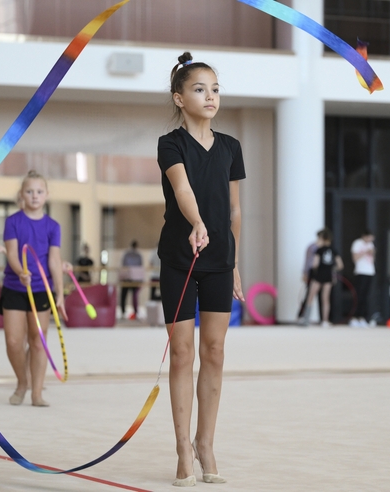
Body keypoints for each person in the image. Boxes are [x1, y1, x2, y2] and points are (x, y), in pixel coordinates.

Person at [157, 52, 245, 486]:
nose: (210, 96)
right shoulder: (170, 143)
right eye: (199, 89)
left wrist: (235, 264)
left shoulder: (231, 147)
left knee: (214, 352)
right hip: (179, 259)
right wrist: (196, 222)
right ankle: (181, 449)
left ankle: (205, 442)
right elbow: (182, 187)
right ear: (179, 97)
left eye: (215, 89)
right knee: (183, 354)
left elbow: (234, 210)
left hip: (218, 261)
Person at [0, 170, 66, 407]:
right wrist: (21, 272)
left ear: (46, 195)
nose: (34, 196)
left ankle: (36, 393)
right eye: (29, 192)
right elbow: (13, 254)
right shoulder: (13, 222)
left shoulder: (53, 226)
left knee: (38, 341)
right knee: (14, 342)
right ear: (21, 195)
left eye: (39, 192)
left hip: (41, 290)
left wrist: (59, 294)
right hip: (15, 287)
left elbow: (54, 261)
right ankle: (22, 382)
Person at [300, 229, 343, 328]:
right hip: (328, 275)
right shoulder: (334, 250)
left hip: (319, 275)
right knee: (325, 299)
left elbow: (315, 264)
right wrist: (331, 268)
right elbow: (340, 265)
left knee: (310, 296)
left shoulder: (318, 250)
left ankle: (306, 319)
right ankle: (325, 321)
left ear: (323, 239)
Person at [351, 229, 375, 327]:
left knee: (366, 296)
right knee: (358, 295)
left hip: (370, 272)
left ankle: (362, 317)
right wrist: (365, 252)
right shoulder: (357, 243)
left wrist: (372, 252)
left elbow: (373, 258)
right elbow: (355, 258)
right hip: (360, 272)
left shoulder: (371, 244)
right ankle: (354, 317)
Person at [297, 230, 322, 321]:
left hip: (322, 272)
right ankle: (302, 315)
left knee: (323, 296)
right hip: (312, 272)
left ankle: (323, 318)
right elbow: (307, 261)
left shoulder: (325, 248)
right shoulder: (312, 247)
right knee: (309, 295)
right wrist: (305, 273)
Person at [120, 240, 144, 320]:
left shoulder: (128, 254)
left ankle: (125, 312)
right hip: (133, 278)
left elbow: (124, 265)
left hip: (129, 278)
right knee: (132, 296)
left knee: (127, 296)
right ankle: (132, 312)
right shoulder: (136, 255)